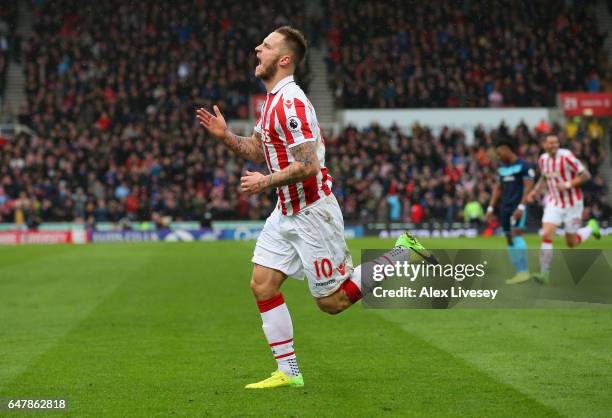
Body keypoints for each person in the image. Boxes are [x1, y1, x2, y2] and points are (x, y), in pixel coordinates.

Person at [196, 26, 436, 389]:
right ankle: (289, 372)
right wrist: (226, 136)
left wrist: (264, 181)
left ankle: (401, 252)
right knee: (262, 284)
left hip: (312, 212)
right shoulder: (271, 102)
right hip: (285, 211)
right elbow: (258, 149)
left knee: (333, 302)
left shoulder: (291, 102)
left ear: (285, 58)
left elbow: (308, 164)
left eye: (267, 45)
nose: (257, 49)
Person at [526, 134, 601, 284]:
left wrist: (568, 184)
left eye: (556, 143)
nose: (554, 145)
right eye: (550, 143)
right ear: (544, 145)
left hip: (573, 204)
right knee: (547, 234)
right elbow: (544, 177)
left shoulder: (566, 156)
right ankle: (544, 274)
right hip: (554, 202)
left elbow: (586, 175)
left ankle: (590, 227)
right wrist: (535, 191)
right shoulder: (542, 160)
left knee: (571, 243)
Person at [485, 137, 534, 284]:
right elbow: (498, 188)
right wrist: (490, 207)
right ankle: (519, 272)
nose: (498, 156)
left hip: (517, 207)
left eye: (499, 153)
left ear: (507, 150)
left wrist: (521, 206)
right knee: (509, 238)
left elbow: (528, 187)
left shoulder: (524, 166)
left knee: (516, 234)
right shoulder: (502, 168)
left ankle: (524, 272)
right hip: (505, 208)